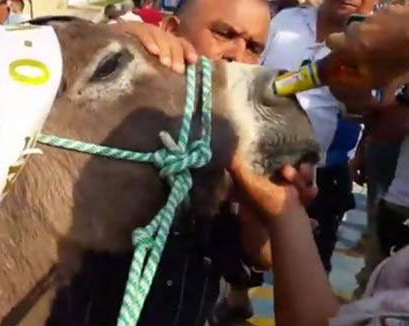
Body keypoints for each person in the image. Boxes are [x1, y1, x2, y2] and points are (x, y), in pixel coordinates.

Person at [112, 0, 272, 322]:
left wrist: (267, 195)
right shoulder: (113, 105)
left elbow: (263, 254)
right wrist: (119, 38)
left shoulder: (245, 132)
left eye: (254, 48)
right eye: (224, 34)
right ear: (171, 30)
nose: (238, 55)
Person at [261, 0, 376, 273]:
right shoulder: (285, 20)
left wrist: (355, 91)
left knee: (307, 268)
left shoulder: (372, 44)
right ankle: (238, 296)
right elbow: (259, 78)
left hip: (320, 174)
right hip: (257, 160)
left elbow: (362, 111)